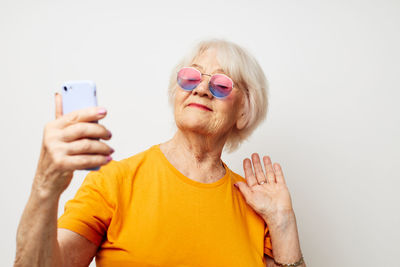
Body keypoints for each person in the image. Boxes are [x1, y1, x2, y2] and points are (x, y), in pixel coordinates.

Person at [14, 39, 306, 267]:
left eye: (220, 84)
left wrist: (283, 222)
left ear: (243, 111)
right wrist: (45, 186)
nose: (202, 89)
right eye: (191, 77)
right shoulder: (115, 182)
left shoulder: (257, 204)